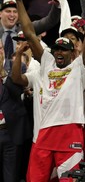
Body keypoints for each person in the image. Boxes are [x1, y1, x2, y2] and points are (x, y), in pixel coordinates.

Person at [7, 0, 85, 181]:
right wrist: (19, 1)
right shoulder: (46, 61)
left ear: (73, 52)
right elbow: (29, 32)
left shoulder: (79, 67)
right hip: (44, 134)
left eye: (65, 49)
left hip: (69, 133)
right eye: (57, 49)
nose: (60, 53)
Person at [0, 39, 32, 182]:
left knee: (11, 177)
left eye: (0, 48)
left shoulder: (16, 67)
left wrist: (3, 74)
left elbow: (15, 90)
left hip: (11, 134)